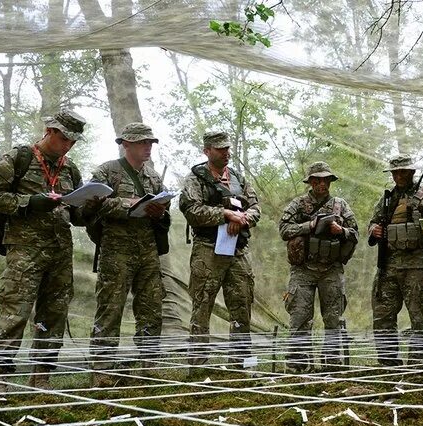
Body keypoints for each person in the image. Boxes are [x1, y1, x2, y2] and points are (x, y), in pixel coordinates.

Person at [0, 109, 89, 392]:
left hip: (60, 250)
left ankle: (41, 378)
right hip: (25, 250)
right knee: (16, 310)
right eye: (65, 138)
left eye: (74, 141)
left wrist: (92, 205)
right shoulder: (20, 158)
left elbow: (76, 215)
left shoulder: (70, 168)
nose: (69, 145)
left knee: (53, 315)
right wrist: (30, 202)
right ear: (50, 132)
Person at [88, 122, 170, 386]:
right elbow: (94, 203)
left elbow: (162, 206)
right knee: (110, 307)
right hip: (116, 249)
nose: (148, 147)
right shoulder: (107, 171)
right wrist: (129, 203)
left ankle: (149, 364)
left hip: (147, 249)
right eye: (142, 142)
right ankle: (102, 368)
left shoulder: (153, 176)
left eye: (150, 143)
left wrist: (160, 211)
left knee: (151, 307)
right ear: (126, 144)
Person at [179, 131, 260, 369]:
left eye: (227, 148)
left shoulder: (238, 178)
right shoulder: (195, 179)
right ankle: (199, 365)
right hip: (208, 250)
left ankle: (241, 364)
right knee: (202, 305)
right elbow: (192, 210)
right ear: (207, 151)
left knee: (242, 305)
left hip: (238, 249)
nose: (226, 153)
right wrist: (224, 215)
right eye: (220, 149)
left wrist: (243, 218)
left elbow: (255, 207)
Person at [279, 162, 358, 370]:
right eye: (317, 180)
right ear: (311, 182)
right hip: (303, 269)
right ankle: (298, 364)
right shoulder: (298, 204)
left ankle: (332, 363)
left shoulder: (341, 205)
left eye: (325, 180)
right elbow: (284, 230)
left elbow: (356, 233)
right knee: (300, 316)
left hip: (331, 268)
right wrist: (309, 226)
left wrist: (340, 230)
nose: (322, 184)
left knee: (333, 318)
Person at [367, 155, 423, 365]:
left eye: (403, 172)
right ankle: (387, 362)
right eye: (395, 172)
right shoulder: (387, 198)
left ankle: (418, 363)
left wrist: (416, 222)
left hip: (416, 265)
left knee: (419, 316)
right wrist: (373, 229)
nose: (399, 176)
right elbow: (374, 222)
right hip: (388, 265)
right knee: (383, 314)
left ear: (412, 172)